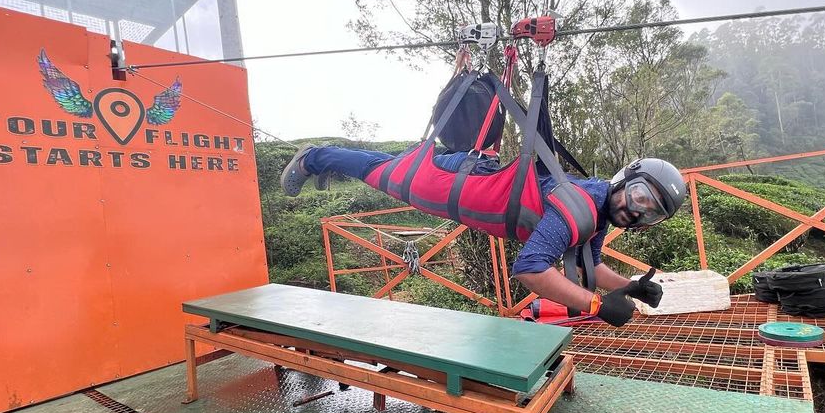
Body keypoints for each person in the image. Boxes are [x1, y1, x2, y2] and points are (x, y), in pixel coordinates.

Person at [280, 144, 686, 326]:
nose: (635, 210)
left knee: (385, 167)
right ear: (624, 180)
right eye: (639, 196)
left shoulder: (598, 210)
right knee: (384, 173)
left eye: (650, 213)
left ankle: (330, 163)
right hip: (456, 186)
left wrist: (630, 287)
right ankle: (316, 157)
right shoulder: (577, 205)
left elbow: (588, 268)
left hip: (472, 183)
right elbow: (529, 270)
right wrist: (598, 306)